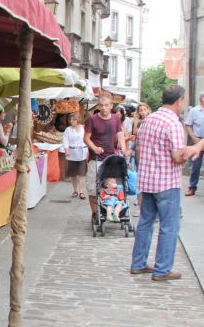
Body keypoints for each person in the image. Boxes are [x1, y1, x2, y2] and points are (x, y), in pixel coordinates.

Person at [131, 85, 190, 281]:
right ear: (179, 101)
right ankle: (162, 269)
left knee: (145, 223)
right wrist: (192, 151)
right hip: (166, 182)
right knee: (169, 226)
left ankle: (138, 264)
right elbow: (177, 157)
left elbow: (138, 149)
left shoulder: (149, 120)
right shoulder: (173, 123)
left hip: (147, 180)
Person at [84, 92, 130, 219]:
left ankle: (110, 207)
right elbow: (86, 138)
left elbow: (120, 134)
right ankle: (94, 212)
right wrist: (94, 148)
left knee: (112, 185)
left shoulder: (115, 119)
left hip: (111, 158)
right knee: (93, 187)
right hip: (96, 157)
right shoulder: (92, 119)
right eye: (101, 105)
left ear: (111, 105)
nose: (103, 108)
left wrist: (123, 148)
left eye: (106, 105)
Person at [62, 112, 88, 199]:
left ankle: (82, 192)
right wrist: (66, 150)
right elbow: (65, 140)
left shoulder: (84, 128)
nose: (71, 121)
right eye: (71, 119)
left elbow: (88, 139)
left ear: (78, 120)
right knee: (73, 174)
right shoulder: (68, 130)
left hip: (82, 153)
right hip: (72, 153)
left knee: (82, 174)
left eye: (73, 119)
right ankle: (75, 190)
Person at [184, 92, 204, 196]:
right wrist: (193, 137)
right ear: (202, 98)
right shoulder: (194, 111)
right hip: (198, 141)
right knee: (195, 166)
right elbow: (188, 125)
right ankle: (192, 187)